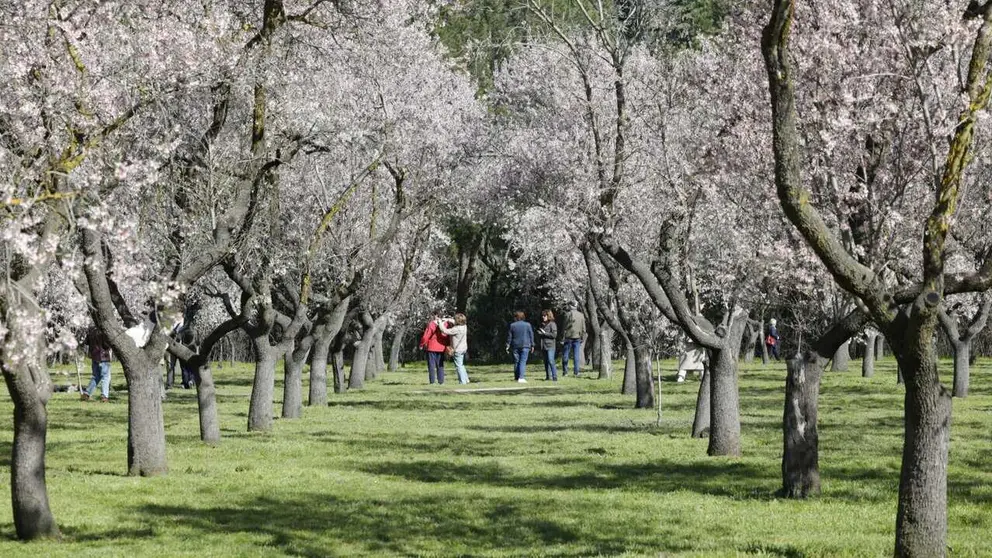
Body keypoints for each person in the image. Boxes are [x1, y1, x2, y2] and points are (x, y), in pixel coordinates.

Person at [437, 313, 470, 384]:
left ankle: (462, 382)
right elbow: (454, 322)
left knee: (458, 366)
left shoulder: (456, 329)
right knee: (461, 365)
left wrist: (440, 323)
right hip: (463, 348)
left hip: (457, 350)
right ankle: (466, 379)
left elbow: (444, 331)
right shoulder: (464, 326)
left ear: (457, 321)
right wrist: (447, 320)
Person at [82, 327, 112, 402]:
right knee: (106, 377)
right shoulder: (104, 330)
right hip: (104, 357)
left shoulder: (91, 330)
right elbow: (106, 345)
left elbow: (86, 342)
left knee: (96, 376)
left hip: (94, 356)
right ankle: (104, 396)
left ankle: (87, 393)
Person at [419, 311, 450, 384]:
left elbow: (426, 336)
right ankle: (441, 381)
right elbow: (448, 335)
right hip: (442, 347)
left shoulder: (432, 324)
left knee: (431, 365)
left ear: (436, 315)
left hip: (432, 347)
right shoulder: (446, 324)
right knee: (440, 365)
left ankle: (432, 381)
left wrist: (421, 344)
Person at [506, 310, 534, 383]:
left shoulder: (512, 325)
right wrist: (532, 345)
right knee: (523, 361)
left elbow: (510, 336)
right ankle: (521, 377)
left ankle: (516, 377)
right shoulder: (528, 325)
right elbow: (531, 335)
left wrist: (508, 345)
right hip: (525, 345)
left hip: (515, 345)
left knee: (516, 361)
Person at [560, 300, 585, 377]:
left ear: (570, 306)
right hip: (577, 336)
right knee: (576, 355)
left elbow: (564, 327)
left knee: (566, 354)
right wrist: (582, 337)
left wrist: (562, 336)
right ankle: (576, 372)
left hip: (568, 336)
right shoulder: (581, 315)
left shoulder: (567, 314)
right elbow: (584, 328)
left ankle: (565, 371)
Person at [537, 309, 559, 381]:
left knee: (551, 360)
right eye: (542, 316)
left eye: (544, 316)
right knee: (546, 361)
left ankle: (554, 376)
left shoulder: (552, 324)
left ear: (548, 316)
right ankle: (548, 376)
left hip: (550, 345)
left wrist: (544, 333)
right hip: (543, 345)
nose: (543, 317)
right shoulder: (542, 324)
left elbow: (554, 335)